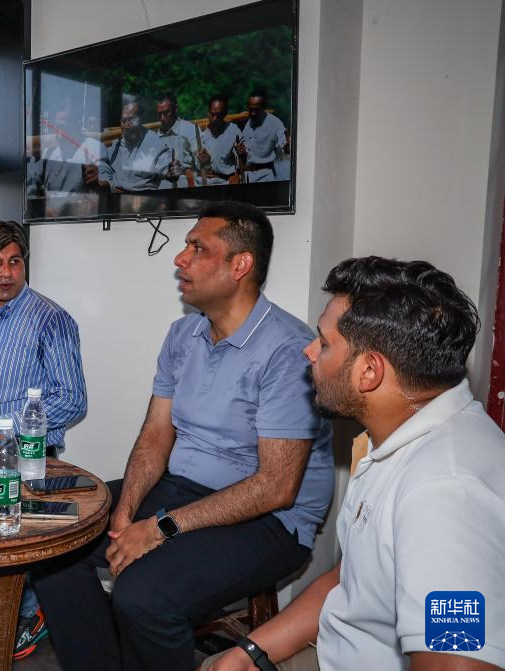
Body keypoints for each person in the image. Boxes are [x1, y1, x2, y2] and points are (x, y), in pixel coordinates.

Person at [34, 202, 334, 671]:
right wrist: (124, 513)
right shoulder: (183, 334)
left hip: (270, 519)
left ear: (240, 265)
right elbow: (156, 435)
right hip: (182, 489)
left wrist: (157, 528)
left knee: (143, 597)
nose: (180, 258)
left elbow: (276, 487)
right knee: (53, 541)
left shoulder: (287, 350)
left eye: (198, 248)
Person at [204, 257, 505, 671]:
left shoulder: (444, 494)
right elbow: (348, 581)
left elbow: (457, 661)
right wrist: (248, 653)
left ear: (369, 371)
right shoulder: (405, 439)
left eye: (324, 343)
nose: (309, 351)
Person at [0, 219, 88, 659]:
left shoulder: (51, 320)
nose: (7, 273)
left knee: (17, 537)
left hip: (28, 452)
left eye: (15, 261)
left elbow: (72, 399)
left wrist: (1, 426)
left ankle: (33, 613)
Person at [87, 95, 169, 192]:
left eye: (131, 120)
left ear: (141, 119)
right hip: (115, 196)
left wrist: (170, 172)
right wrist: (104, 183)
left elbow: (166, 169)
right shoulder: (113, 147)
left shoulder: (155, 143)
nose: (126, 125)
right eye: (123, 121)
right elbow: (104, 172)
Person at [237, 91, 290, 183]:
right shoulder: (247, 123)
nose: (253, 113)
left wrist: (287, 146)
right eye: (251, 110)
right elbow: (247, 150)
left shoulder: (275, 123)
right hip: (246, 177)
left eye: (256, 110)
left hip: (265, 177)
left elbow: (284, 143)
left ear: (264, 107)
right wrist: (242, 151)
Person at [155, 91, 199, 188]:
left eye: (166, 113)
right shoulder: (155, 137)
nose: (162, 118)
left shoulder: (190, 130)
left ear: (176, 109)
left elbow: (202, 165)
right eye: (159, 114)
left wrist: (183, 169)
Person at [197, 95, 243, 185]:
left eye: (218, 115)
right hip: (202, 181)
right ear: (208, 113)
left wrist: (243, 152)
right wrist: (205, 162)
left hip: (224, 181)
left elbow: (242, 161)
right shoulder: (201, 135)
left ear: (224, 114)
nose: (215, 119)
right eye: (212, 114)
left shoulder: (233, 131)